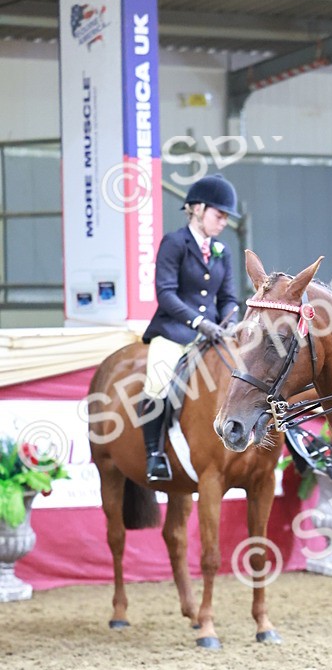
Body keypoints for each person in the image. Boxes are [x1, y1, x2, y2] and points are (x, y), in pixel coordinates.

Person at [140, 173, 241, 481]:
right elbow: (166, 293)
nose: (223, 222)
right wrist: (200, 322)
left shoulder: (222, 251)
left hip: (215, 335)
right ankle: (154, 455)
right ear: (198, 209)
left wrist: (231, 321)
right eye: (219, 215)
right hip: (175, 331)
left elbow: (229, 298)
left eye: (225, 217)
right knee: (157, 381)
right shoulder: (174, 243)